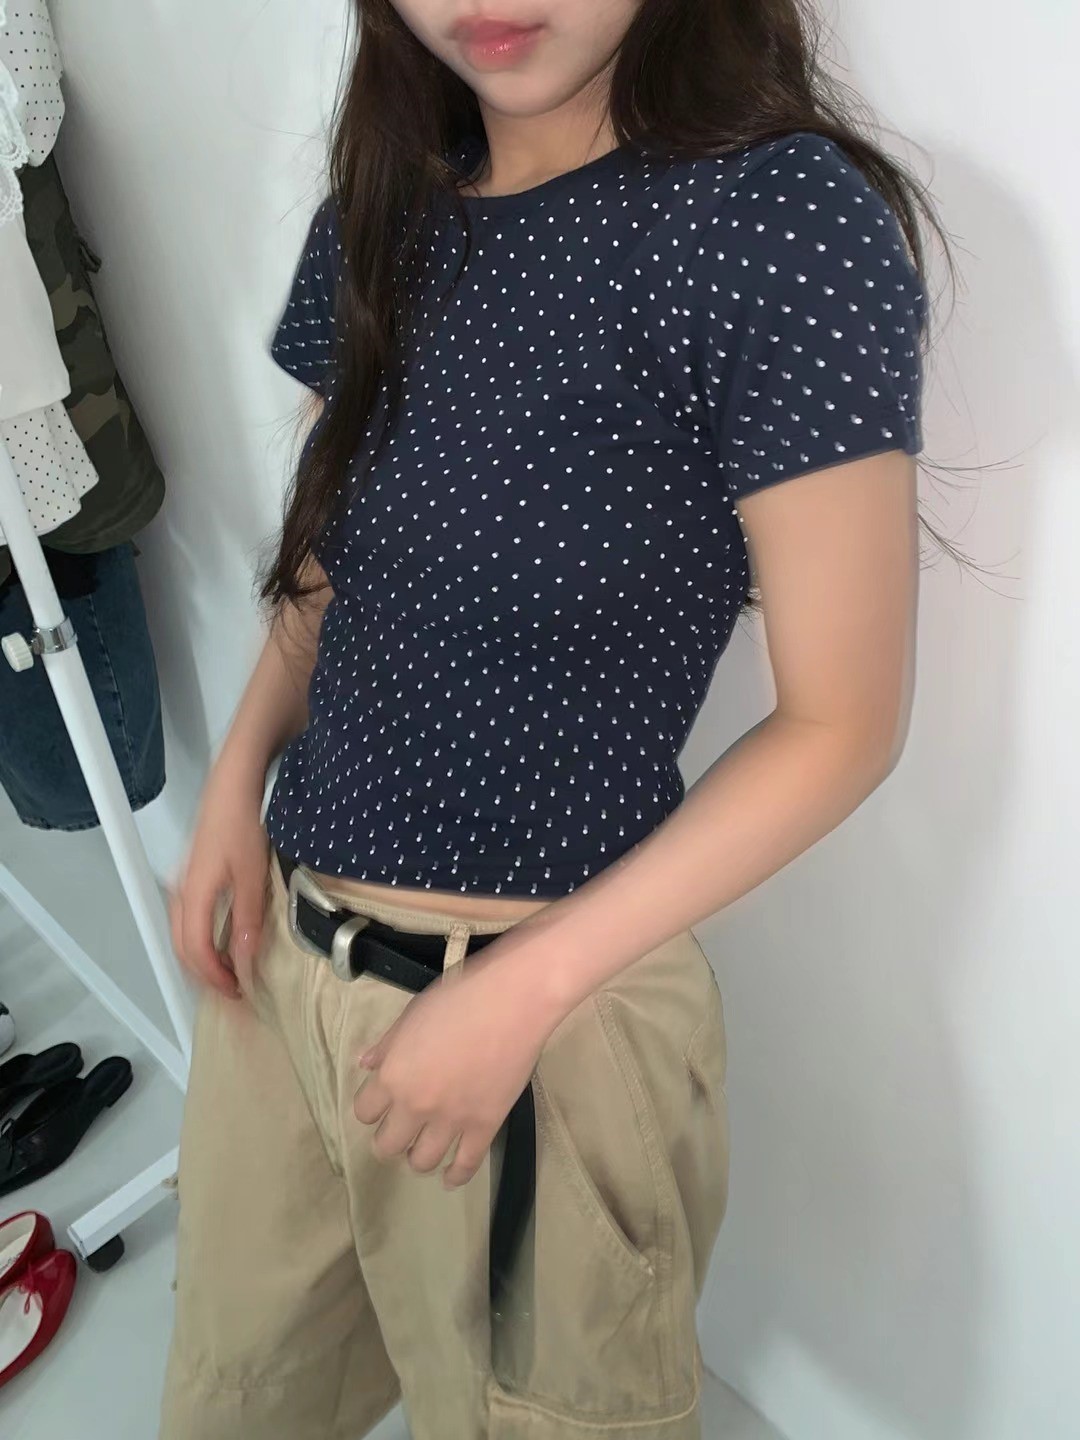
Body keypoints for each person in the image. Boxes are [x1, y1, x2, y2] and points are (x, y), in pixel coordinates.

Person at [161, 2, 946, 1437]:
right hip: (287, 957)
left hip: (540, 1016)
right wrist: (236, 776)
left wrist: (521, 993)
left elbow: (844, 724)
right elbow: (338, 559)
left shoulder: (776, 223)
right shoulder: (387, 208)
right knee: (236, 1391)